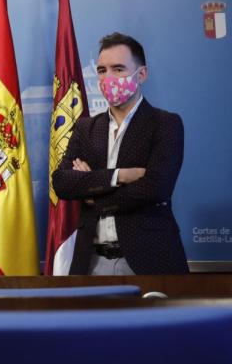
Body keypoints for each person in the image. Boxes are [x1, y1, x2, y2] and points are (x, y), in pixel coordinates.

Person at [52, 33, 188, 275]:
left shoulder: (165, 124)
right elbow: (62, 183)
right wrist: (119, 176)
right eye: (102, 70)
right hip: (91, 263)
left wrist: (93, 196)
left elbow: (155, 188)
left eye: (118, 69)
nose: (108, 78)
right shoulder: (86, 128)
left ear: (142, 74)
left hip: (149, 260)